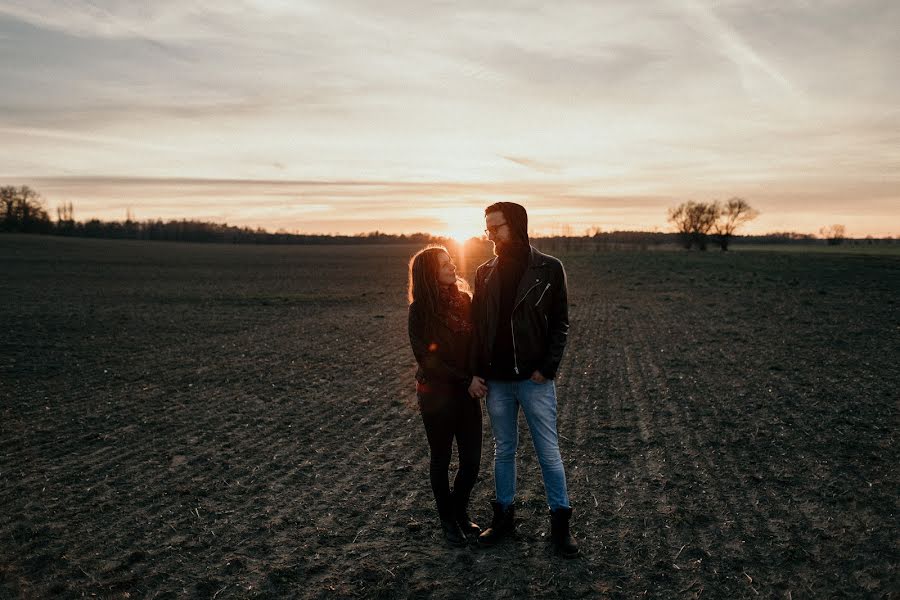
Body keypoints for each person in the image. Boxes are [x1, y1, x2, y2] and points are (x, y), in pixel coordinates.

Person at [468, 202, 579, 557]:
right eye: (487, 229)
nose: (491, 235)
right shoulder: (484, 272)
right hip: (496, 382)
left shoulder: (549, 268)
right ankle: (503, 519)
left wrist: (547, 368)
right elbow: (477, 329)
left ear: (515, 225)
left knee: (548, 453)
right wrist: (477, 370)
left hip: (535, 381)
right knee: (504, 451)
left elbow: (560, 323)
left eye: (495, 227)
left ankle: (560, 528)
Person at [408, 245, 488, 546]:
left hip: (466, 393)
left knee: (471, 463)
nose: (452, 266)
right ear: (430, 273)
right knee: (441, 459)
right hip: (436, 394)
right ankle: (447, 521)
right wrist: (466, 379)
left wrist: (477, 377)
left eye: (451, 261)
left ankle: (458, 510)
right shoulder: (419, 311)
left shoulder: (465, 300)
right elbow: (426, 359)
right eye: (444, 264)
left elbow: (477, 342)